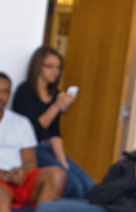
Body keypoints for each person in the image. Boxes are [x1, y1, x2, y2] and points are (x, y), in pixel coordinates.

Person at [0, 71, 65, 212]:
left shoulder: (21, 123)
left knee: (57, 174)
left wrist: (23, 172)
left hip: (19, 178)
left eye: (5, 92)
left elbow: (31, 162)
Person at [12, 46, 94, 199]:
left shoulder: (55, 94)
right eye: (50, 66)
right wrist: (56, 106)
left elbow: (55, 132)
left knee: (89, 184)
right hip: (31, 149)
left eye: (58, 67)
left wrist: (63, 162)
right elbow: (30, 130)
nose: (55, 72)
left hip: (49, 146)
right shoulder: (25, 91)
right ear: (38, 66)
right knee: (74, 184)